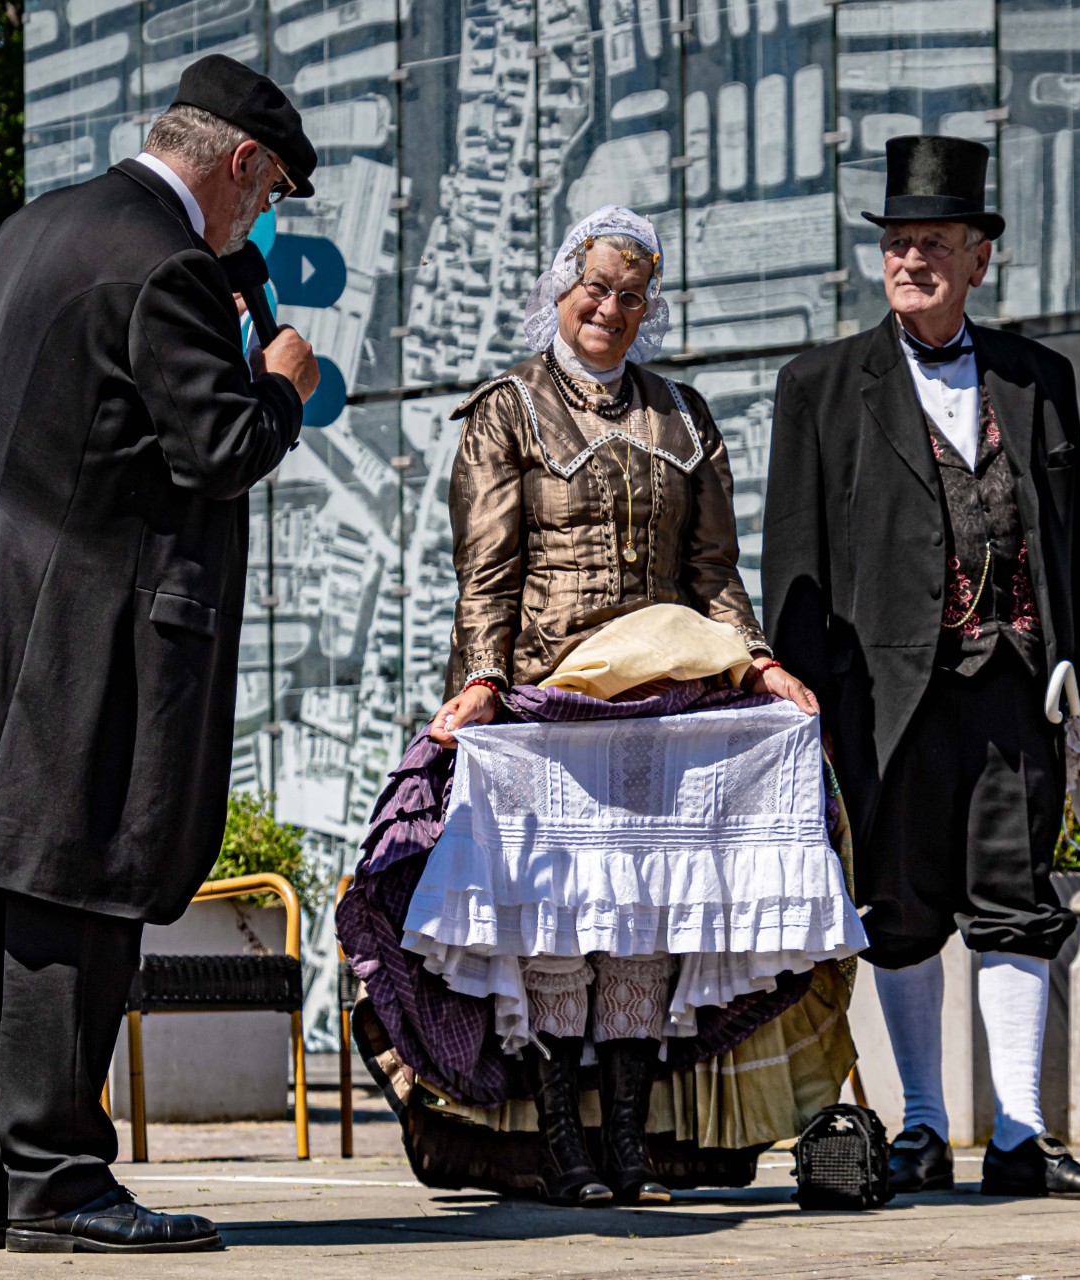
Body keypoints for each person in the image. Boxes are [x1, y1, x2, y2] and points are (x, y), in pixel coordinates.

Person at [0, 56, 320, 1253]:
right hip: (78, 623)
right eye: (270, 193)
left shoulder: (35, 227)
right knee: (76, 889)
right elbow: (217, 448)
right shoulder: (167, 262)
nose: (262, 218)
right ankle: (60, 1179)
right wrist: (281, 386)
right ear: (242, 162)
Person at [397, 205, 855, 1207]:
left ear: (650, 308)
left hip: (666, 705)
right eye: (597, 288)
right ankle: (563, 1143)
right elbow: (487, 572)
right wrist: (481, 681)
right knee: (558, 919)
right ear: (562, 291)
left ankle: (633, 1143)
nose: (611, 308)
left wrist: (758, 664)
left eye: (632, 295)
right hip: (550, 702)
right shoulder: (507, 410)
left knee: (645, 915)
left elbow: (714, 572)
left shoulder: (683, 415)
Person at [761, 135, 1080, 1199]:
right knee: (901, 905)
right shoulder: (820, 385)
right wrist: (800, 709)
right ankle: (922, 1127)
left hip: (1019, 685)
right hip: (882, 698)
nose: (911, 259)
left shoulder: (1039, 379)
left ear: (979, 258)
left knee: (1017, 899)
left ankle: (1020, 1136)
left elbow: (1075, 553)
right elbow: (792, 561)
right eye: (898, 242)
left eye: (934, 242)